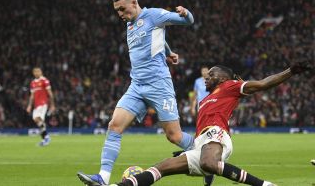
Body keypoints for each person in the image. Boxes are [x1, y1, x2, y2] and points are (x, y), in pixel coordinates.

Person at [106, 61, 311, 186]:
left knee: (208, 163)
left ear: (224, 78)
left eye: (212, 74)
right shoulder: (205, 100)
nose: (207, 77)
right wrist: (193, 147)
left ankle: (264, 185)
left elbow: (264, 83)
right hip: (202, 143)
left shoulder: (231, 86)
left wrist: (290, 71)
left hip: (218, 136)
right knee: (161, 167)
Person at [77, 0, 195, 185]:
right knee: (114, 126)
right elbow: (156, 38)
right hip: (137, 85)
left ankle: (203, 154)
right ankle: (103, 178)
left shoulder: (155, 15)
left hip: (159, 84)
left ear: (134, 2)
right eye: (117, 11)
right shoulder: (130, 24)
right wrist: (168, 52)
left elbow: (188, 21)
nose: (121, 15)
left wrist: (185, 12)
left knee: (174, 136)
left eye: (123, 9)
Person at [26, 67, 55, 146]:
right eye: (35, 72)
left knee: (38, 119)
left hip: (43, 103)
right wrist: (29, 106)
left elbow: (50, 93)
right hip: (36, 104)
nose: (37, 73)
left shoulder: (45, 80)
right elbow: (32, 96)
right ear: (33, 73)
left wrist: (52, 105)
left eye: (38, 71)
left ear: (41, 72)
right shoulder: (33, 83)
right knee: (38, 120)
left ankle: (46, 137)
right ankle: (45, 138)